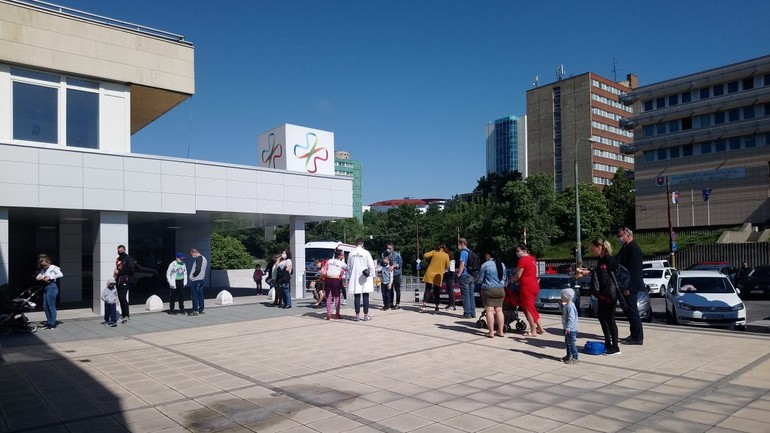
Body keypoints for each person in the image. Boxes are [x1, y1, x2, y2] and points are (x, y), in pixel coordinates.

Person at [577, 239, 621, 356]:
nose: (592, 251)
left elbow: (606, 275)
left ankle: (615, 347)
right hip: (602, 294)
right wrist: (590, 270)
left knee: (610, 319)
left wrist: (591, 271)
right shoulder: (601, 260)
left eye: (593, 248)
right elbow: (600, 272)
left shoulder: (609, 259)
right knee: (602, 317)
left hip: (610, 294)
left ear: (600, 247)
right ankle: (607, 343)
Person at [616, 227, 645, 345]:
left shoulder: (633, 248)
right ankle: (634, 334)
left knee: (632, 311)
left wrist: (628, 287)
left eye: (620, 236)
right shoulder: (626, 247)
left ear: (627, 235)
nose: (619, 238)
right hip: (626, 285)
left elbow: (634, 271)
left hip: (630, 286)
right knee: (629, 311)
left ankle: (637, 337)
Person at [511, 243, 544, 336]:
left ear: (524, 251)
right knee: (531, 307)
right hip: (534, 284)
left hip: (526, 286)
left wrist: (511, 280)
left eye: (518, 251)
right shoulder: (532, 258)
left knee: (528, 308)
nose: (517, 253)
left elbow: (518, 275)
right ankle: (540, 328)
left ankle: (533, 330)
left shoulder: (522, 260)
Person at [478, 250, 506, 338]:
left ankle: (491, 332)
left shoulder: (485, 265)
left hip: (489, 290)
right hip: (500, 290)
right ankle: (500, 331)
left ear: (488, 255)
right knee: (499, 311)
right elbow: (504, 277)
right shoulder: (502, 264)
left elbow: (480, 279)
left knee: (489, 311)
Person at [347, 238, 375, 321]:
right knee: (366, 296)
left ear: (356, 244)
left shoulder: (351, 253)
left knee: (357, 296)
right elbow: (371, 266)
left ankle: (357, 315)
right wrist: (372, 275)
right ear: (363, 244)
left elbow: (348, 266)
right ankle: (366, 315)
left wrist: (352, 274)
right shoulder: (366, 252)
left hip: (355, 277)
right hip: (365, 277)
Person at [421, 244, 451, 314]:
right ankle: (437, 307)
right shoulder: (446, 255)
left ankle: (424, 305)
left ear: (438, 247)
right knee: (436, 291)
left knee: (427, 289)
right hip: (438, 275)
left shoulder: (434, 252)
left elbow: (425, 255)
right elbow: (447, 265)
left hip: (430, 273)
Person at [36, 254, 63, 330]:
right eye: (42, 265)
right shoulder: (43, 269)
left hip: (52, 287)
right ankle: (49, 322)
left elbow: (60, 274)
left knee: (51, 306)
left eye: (45, 265)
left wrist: (50, 277)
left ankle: (52, 324)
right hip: (46, 287)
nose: (44, 266)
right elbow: (38, 276)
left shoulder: (53, 267)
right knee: (45, 306)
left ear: (48, 262)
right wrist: (40, 277)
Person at [324, 249, 348, 320]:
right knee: (337, 297)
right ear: (340, 256)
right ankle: (337, 314)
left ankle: (328, 314)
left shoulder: (329, 261)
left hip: (328, 279)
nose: (343, 256)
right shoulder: (342, 263)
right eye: (342, 255)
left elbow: (326, 268)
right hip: (336, 280)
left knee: (329, 297)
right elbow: (348, 268)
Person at [114, 245, 135, 323]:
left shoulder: (128, 258)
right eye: (118, 251)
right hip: (119, 281)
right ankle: (123, 315)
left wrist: (119, 272)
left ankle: (127, 316)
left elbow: (131, 269)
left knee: (123, 297)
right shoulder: (119, 259)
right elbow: (118, 268)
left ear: (124, 250)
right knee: (120, 298)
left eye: (121, 251)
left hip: (125, 280)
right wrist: (115, 274)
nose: (120, 252)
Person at [456, 238, 476, 319]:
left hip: (465, 275)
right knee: (471, 295)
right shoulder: (470, 252)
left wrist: (459, 274)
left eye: (459, 244)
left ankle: (467, 313)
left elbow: (462, 264)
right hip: (471, 275)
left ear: (462, 243)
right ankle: (473, 312)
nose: (458, 246)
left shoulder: (463, 252)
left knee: (465, 295)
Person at [561, 288, 579, 364]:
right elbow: (563, 312)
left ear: (567, 297)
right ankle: (569, 356)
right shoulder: (567, 305)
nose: (561, 297)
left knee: (571, 343)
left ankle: (575, 358)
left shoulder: (570, 306)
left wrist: (568, 327)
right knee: (567, 343)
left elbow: (571, 318)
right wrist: (560, 305)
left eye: (562, 296)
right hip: (567, 328)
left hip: (571, 329)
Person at [188, 248, 208, 316]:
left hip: (196, 280)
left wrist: (193, 275)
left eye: (192, 254)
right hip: (201, 279)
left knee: (194, 296)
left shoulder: (199, 258)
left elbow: (198, 269)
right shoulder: (204, 259)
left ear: (194, 252)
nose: (192, 256)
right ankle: (201, 309)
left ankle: (195, 310)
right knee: (200, 296)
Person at [384, 242, 403, 309]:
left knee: (397, 289)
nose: (388, 250)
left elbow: (400, 264)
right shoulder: (385, 254)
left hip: (396, 273)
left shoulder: (397, 255)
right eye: (387, 248)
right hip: (388, 274)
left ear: (392, 248)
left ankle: (397, 303)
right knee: (390, 289)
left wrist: (394, 266)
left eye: (390, 248)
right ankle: (390, 303)